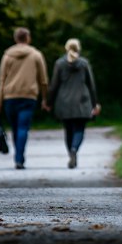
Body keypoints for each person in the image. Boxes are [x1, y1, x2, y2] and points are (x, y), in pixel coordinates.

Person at [0, 26, 48, 170]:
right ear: (28, 38)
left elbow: (2, 80)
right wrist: (45, 98)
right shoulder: (36, 55)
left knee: (15, 128)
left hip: (10, 97)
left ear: (16, 38)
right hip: (28, 97)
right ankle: (19, 158)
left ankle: (18, 156)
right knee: (23, 127)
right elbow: (43, 80)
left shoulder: (7, 56)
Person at [45, 38, 100, 169]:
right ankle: (75, 149)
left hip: (64, 102)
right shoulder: (84, 63)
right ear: (79, 48)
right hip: (82, 102)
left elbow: (54, 85)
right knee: (79, 129)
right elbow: (91, 85)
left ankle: (71, 153)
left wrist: (49, 102)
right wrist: (95, 103)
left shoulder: (59, 64)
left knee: (68, 131)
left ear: (66, 48)